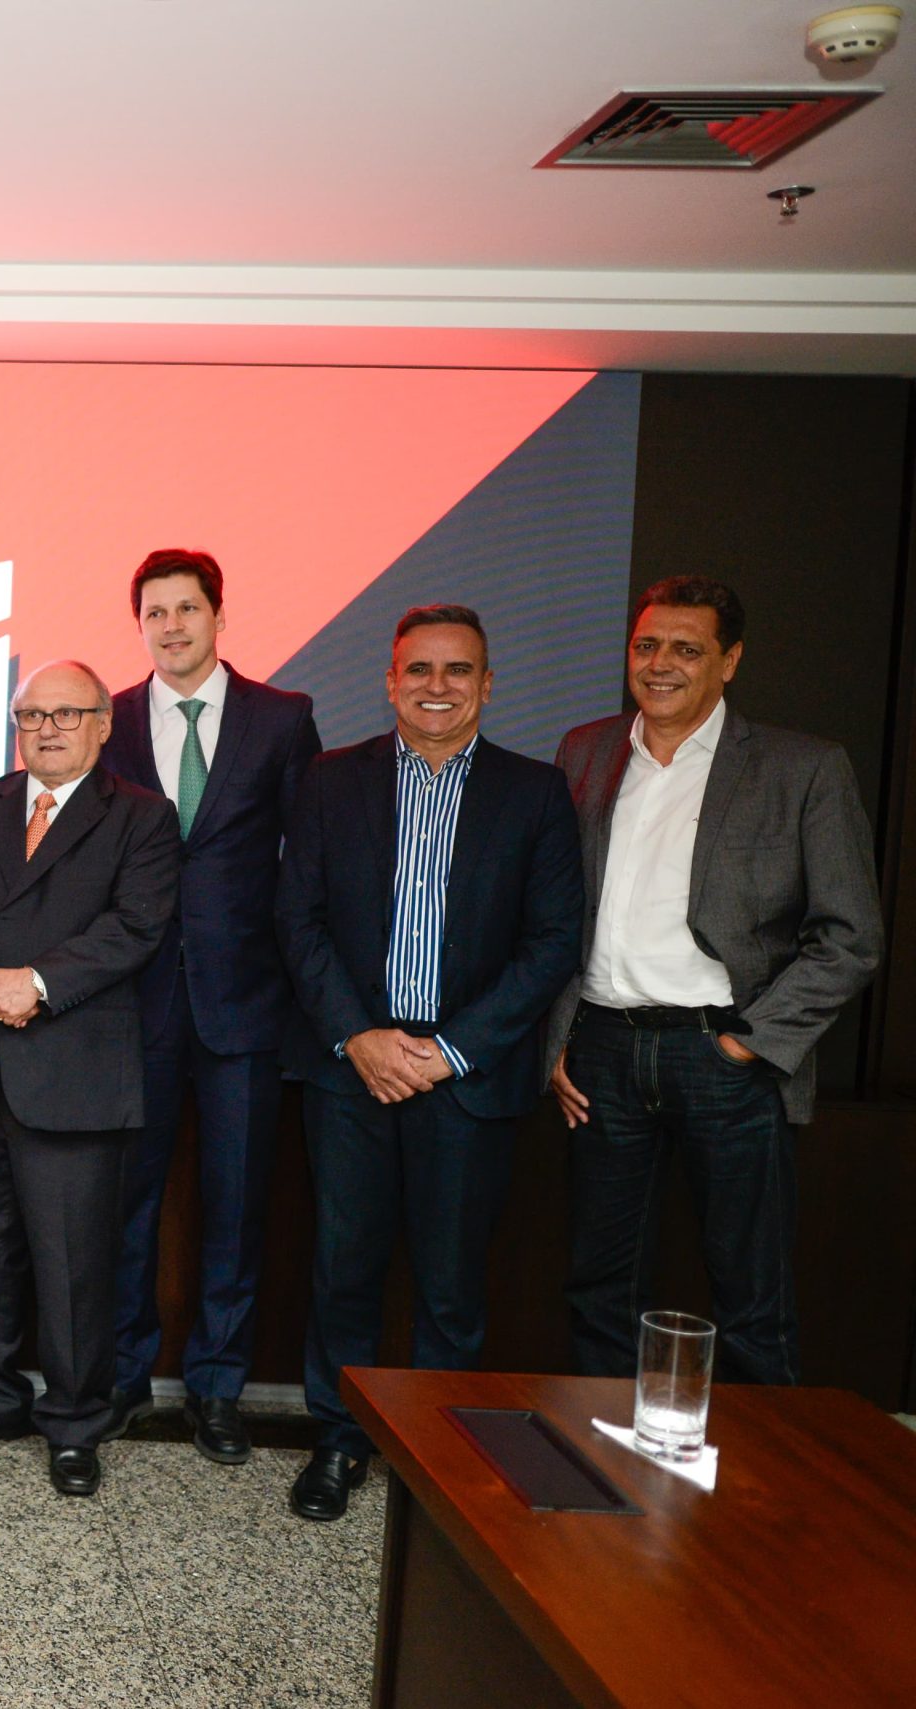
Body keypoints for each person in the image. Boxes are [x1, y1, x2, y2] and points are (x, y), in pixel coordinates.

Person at [276, 605, 583, 1523]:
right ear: (391, 682)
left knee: (451, 1286)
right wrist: (359, 1037)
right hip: (351, 1069)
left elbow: (552, 940)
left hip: (468, 1075)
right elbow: (297, 919)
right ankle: (339, 1439)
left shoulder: (535, 792)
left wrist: (450, 1051)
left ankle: (437, 1458)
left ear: (488, 684)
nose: (437, 686)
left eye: (458, 670)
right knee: (344, 1269)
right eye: (419, 669)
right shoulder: (332, 780)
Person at [547, 576, 881, 1386]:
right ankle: (600, 1454)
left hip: (724, 1055)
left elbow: (851, 936)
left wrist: (751, 1046)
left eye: (686, 649)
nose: (660, 663)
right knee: (598, 1288)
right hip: (603, 1055)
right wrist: (559, 1038)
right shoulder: (585, 750)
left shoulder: (802, 767)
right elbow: (557, 909)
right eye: (646, 645)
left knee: (751, 1297)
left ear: (729, 661)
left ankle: (760, 1466)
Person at [0, 660, 181, 1498]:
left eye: (67, 714)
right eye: (32, 715)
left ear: (104, 723)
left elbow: (135, 926)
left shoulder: (142, 815)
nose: (47, 729)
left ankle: (73, 1423)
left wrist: (33, 982)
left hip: (75, 1071)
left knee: (74, 1264)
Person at [98, 549, 319, 1463]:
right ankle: (121, 1377)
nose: (172, 626)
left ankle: (218, 1386)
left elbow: (308, 859)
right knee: (126, 1204)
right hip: (131, 1003)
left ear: (219, 617)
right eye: (155, 612)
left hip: (247, 1004)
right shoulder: (107, 719)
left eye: (187, 608)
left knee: (235, 1207)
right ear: (139, 625)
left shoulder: (282, 717)